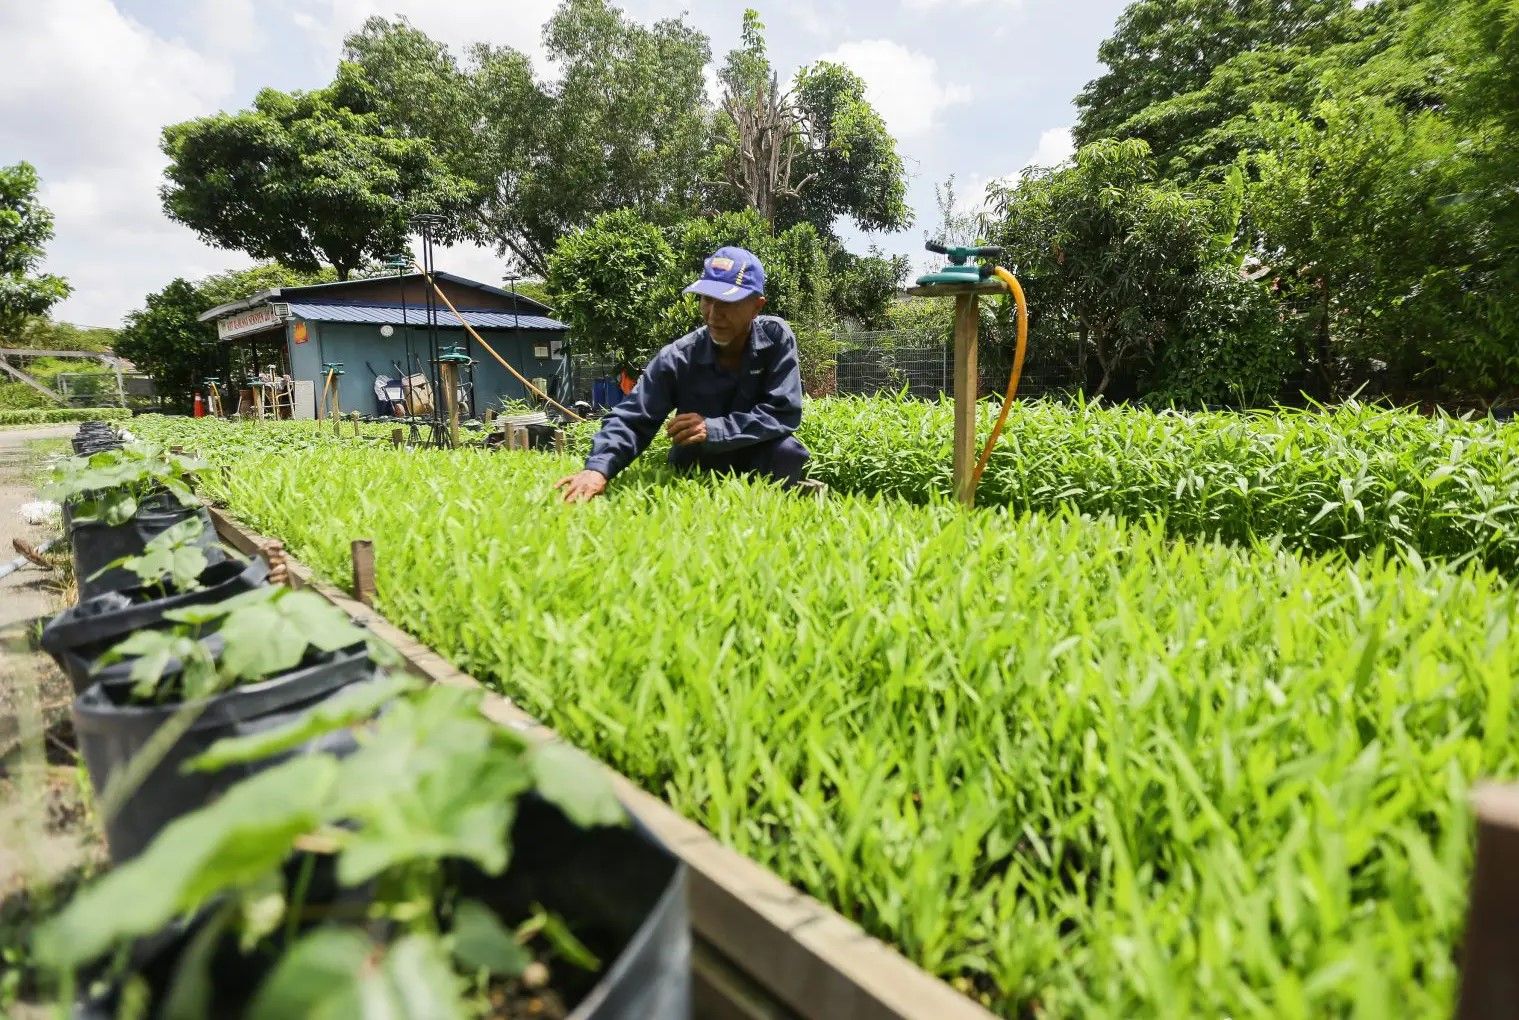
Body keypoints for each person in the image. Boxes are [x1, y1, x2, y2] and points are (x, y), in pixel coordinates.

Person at [556, 247, 813, 503]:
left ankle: (771, 511)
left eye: (727, 302)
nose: (713, 315)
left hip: (758, 455)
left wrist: (714, 429)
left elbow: (783, 411)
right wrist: (598, 468)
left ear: (757, 306)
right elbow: (633, 418)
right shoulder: (678, 357)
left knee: (788, 451)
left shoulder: (775, 338)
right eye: (707, 299)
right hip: (699, 461)